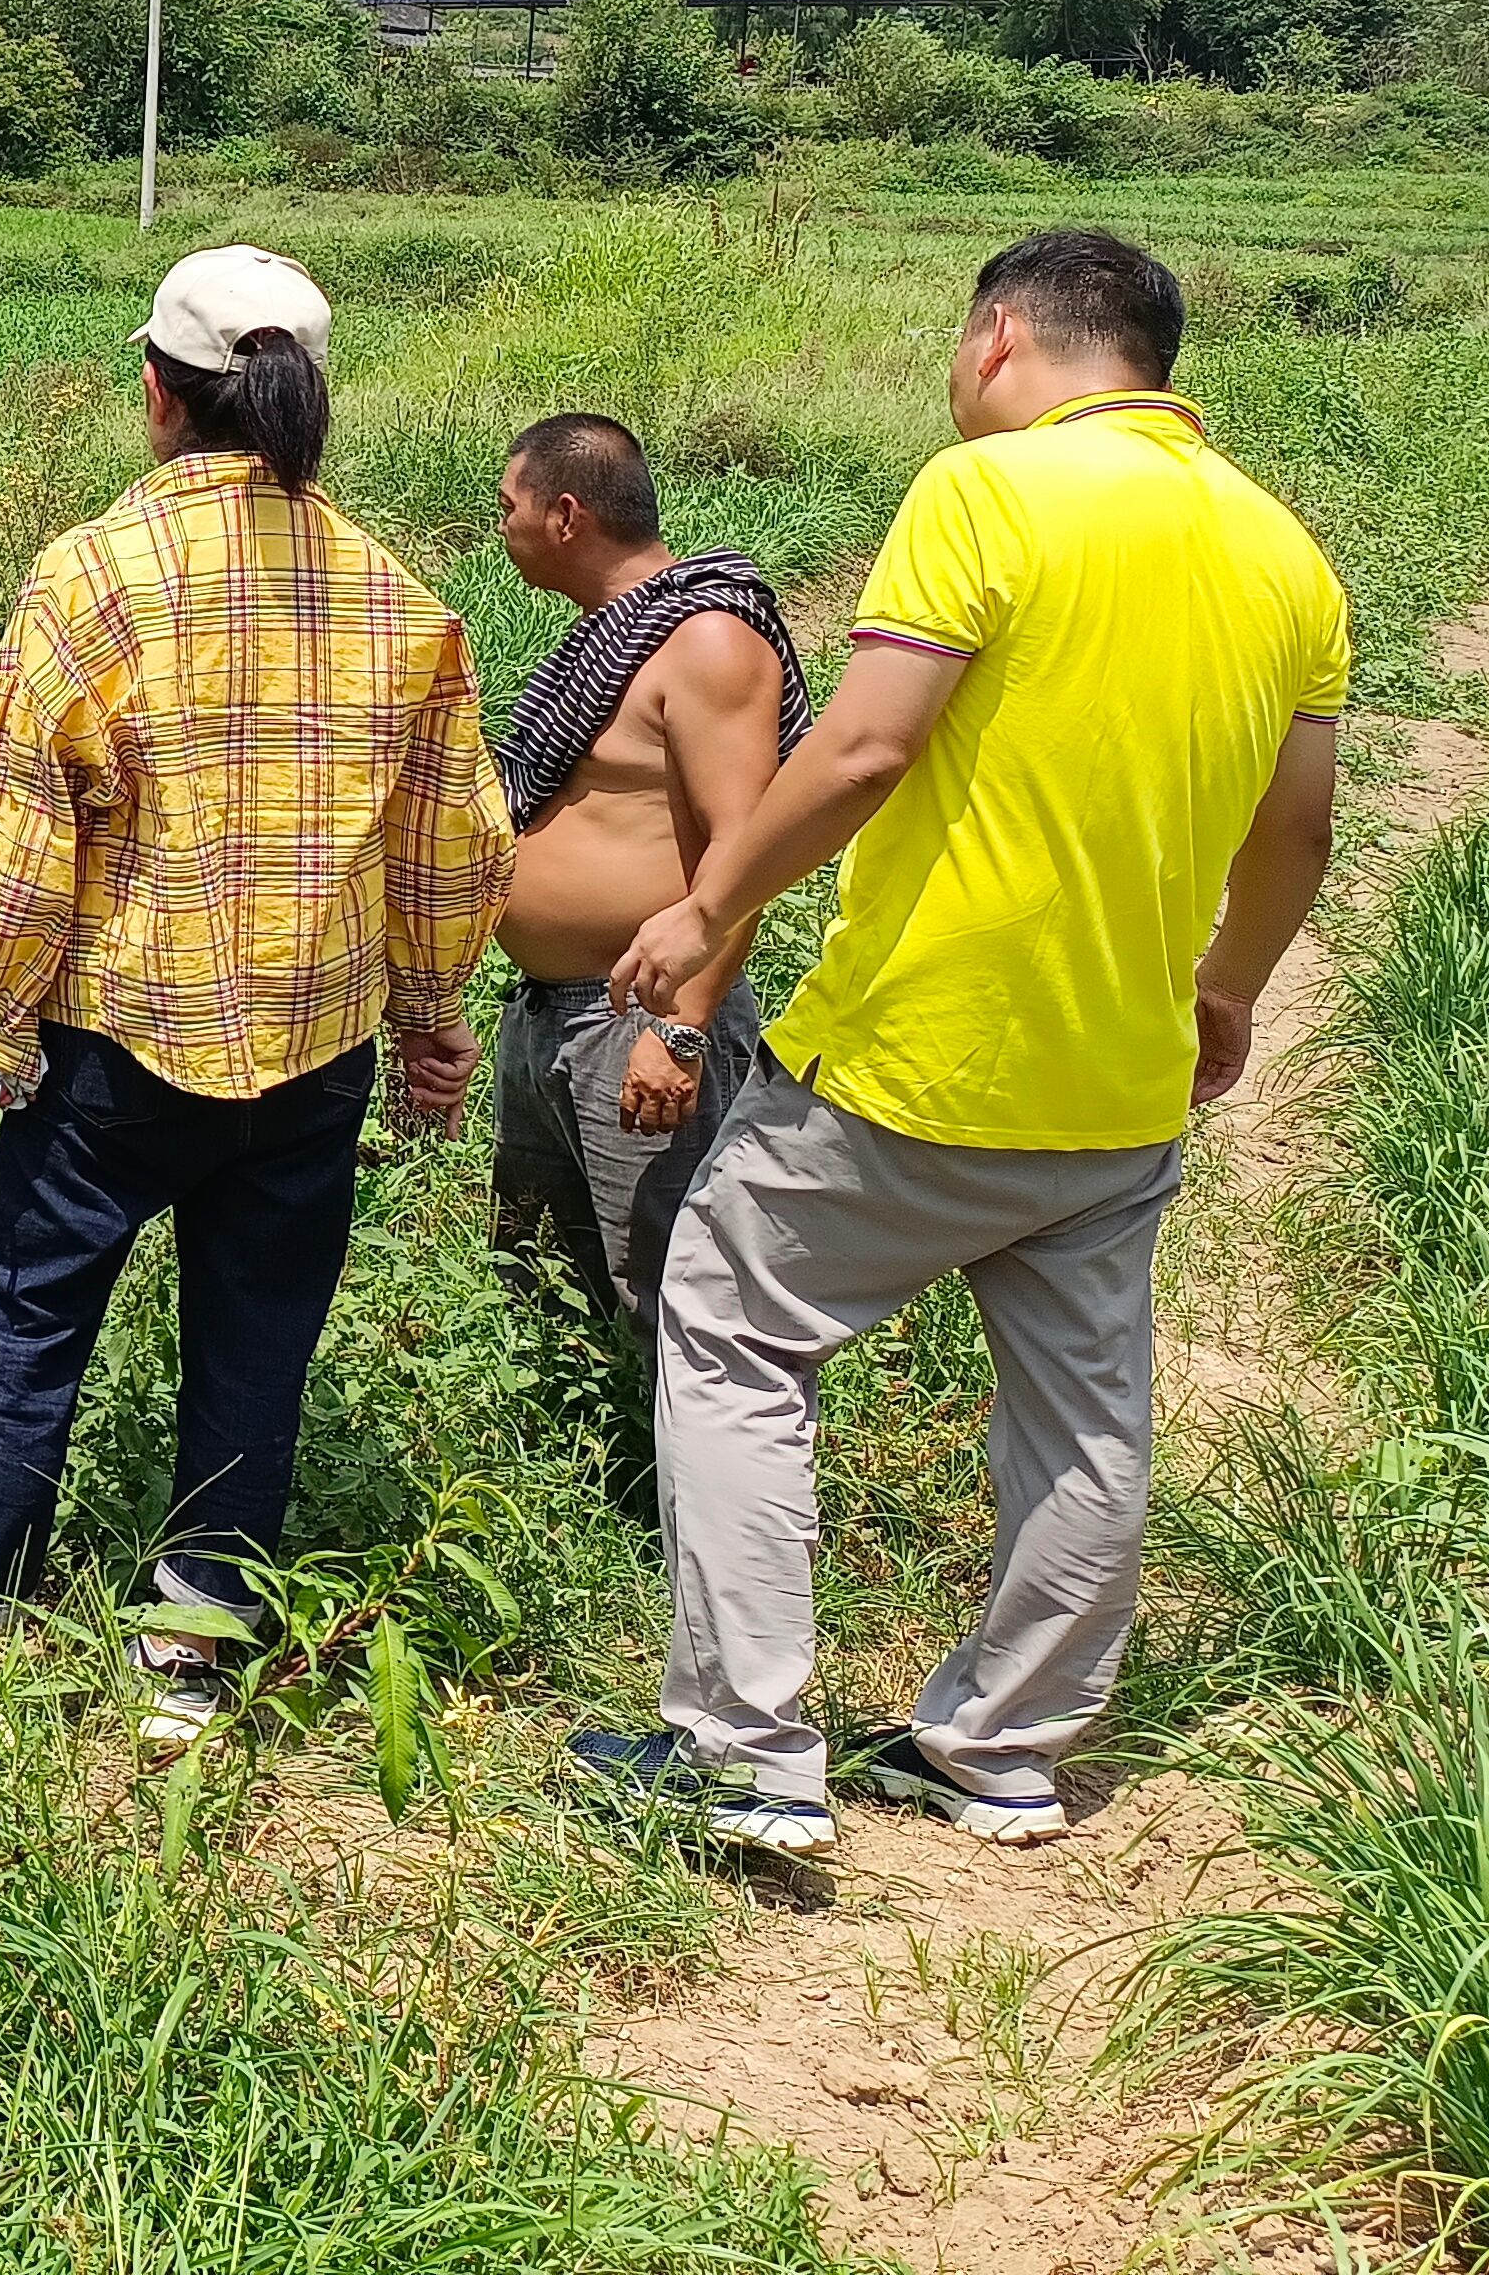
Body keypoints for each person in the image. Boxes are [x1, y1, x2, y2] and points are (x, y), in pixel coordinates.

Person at [584, 230, 1346, 1861]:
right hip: (1116, 1081)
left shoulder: (984, 490)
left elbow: (861, 747)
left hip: (915, 1060)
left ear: (997, 337)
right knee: (1083, 1413)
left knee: (728, 1321)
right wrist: (1226, 990)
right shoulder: (1280, 551)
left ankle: (742, 1752)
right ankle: (1000, 1746)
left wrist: (708, 912)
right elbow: (1295, 835)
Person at [0, 246, 513, 1751]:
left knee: (23, 1313)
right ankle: (192, 1655)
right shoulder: (398, 598)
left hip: (121, 1042)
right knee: (258, 1333)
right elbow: (450, 843)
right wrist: (429, 1010)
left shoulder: (94, 577)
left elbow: (25, 824)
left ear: (158, 391)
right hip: (317, 1045)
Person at [485, 413, 806, 1336]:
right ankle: (569, 1471)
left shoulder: (704, 640)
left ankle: (679, 1483)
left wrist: (685, 1028)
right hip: (555, 1011)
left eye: (510, 506)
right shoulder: (609, 639)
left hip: (643, 1018)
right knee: (542, 1283)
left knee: (673, 1294)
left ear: (565, 515)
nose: (502, 526)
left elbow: (744, 848)